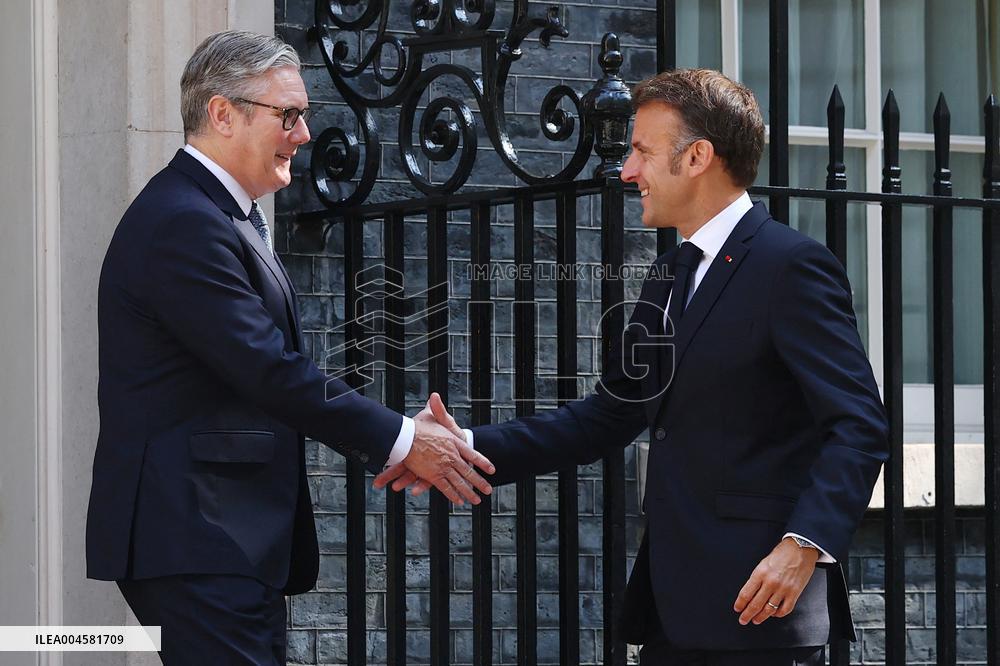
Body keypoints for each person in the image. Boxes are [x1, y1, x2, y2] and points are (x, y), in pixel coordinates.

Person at [377, 68, 888, 665]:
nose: (627, 171)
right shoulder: (670, 273)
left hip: (763, 608)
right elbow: (609, 415)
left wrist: (804, 544)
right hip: (675, 610)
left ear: (697, 157)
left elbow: (859, 425)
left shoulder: (792, 266)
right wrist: (463, 448)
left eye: (642, 151)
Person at [85, 30, 493, 665]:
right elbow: (270, 371)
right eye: (289, 115)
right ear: (223, 113)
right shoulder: (184, 222)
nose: (303, 134)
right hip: (198, 536)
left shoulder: (218, 214)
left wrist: (397, 438)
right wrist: (403, 440)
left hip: (220, 539)